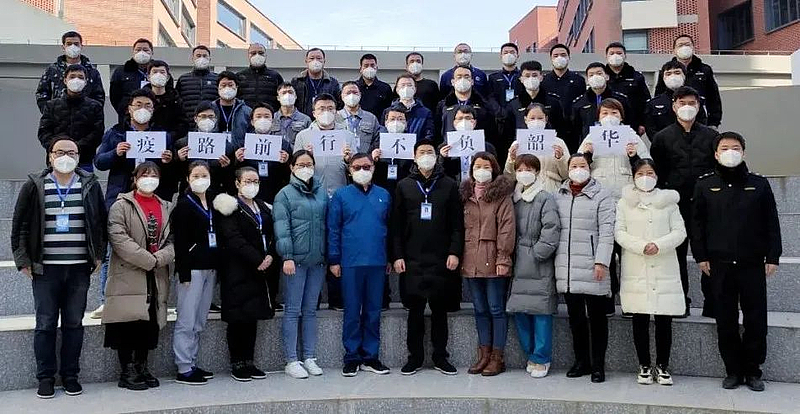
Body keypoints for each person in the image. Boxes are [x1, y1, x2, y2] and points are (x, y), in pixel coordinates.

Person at [11, 136, 107, 399]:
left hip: (78, 268)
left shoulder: (89, 184)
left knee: (74, 323)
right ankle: (45, 378)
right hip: (45, 269)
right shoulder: (35, 185)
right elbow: (19, 225)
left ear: (79, 157)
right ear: (50, 156)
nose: (66, 156)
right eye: (60, 151)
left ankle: (70, 376)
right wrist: (22, 260)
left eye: (72, 152)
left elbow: (100, 222)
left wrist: (98, 255)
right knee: (45, 323)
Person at [691, 132, 781, 392]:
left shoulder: (759, 184)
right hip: (718, 263)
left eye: (735, 147)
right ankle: (732, 370)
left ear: (743, 152)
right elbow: (697, 224)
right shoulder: (705, 184)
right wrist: (701, 256)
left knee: (756, 319)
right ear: (716, 154)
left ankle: (753, 370)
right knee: (725, 319)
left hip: (752, 262)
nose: (730, 152)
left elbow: (771, 222)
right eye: (724, 148)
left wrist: (773, 256)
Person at [92, 90, 174, 319]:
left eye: (148, 105)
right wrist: (116, 152)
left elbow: (170, 171)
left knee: (152, 246)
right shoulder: (116, 133)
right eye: (138, 104)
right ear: (129, 108)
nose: (142, 109)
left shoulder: (161, 136)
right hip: (120, 197)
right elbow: (99, 161)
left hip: (150, 199)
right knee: (113, 250)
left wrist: (168, 161)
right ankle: (105, 299)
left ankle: (154, 297)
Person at [391, 140, 463, 376]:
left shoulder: (449, 185)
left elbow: (457, 224)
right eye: (421, 152)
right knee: (415, 312)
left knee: (440, 311)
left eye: (430, 152)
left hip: (441, 258)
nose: (426, 156)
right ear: (414, 157)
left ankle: (441, 357)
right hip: (412, 259)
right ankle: (415, 358)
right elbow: (396, 225)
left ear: (436, 156)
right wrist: (397, 255)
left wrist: (454, 251)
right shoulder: (404, 185)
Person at [102, 161, 174, 391]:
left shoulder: (166, 206)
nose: (149, 178)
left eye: (154, 175)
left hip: (156, 273)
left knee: (149, 323)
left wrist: (159, 259)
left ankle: (142, 365)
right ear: (135, 178)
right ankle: (127, 370)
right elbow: (118, 238)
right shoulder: (121, 205)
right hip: (129, 272)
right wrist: (148, 260)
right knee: (128, 322)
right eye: (145, 174)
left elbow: (172, 240)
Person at [615, 158, 687, 386]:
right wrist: (640, 246)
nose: (645, 177)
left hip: (664, 264)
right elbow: (619, 232)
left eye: (650, 173)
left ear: (657, 176)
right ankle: (644, 365)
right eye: (640, 173)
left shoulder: (669, 202)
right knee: (640, 318)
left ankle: (663, 365)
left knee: (664, 318)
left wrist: (659, 244)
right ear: (633, 177)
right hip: (636, 264)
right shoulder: (624, 203)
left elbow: (680, 232)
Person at [650, 86, 717, 317]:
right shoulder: (662, 137)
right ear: (674, 106)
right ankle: (680, 301)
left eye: (692, 103)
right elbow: (657, 173)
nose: (687, 107)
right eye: (682, 103)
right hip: (675, 205)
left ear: (698, 106)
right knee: (676, 255)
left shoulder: (711, 137)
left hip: (706, 204)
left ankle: (713, 303)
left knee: (710, 252)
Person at [327, 153, 392, 377]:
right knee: (353, 311)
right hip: (351, 261)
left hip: (377, 261)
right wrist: (334, 259)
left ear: (373, 168)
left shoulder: (383, 194)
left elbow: (390, 228)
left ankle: (370, 356)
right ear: (349, 170)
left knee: (373, 311)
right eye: (357, 167)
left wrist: (389, 257)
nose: (362, 170)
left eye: (367, 166)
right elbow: (333, 229)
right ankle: (352, 356)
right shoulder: (341, 195)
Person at [554, 153, 616, 383]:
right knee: (576, 318)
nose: (578, 169)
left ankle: (598, 365)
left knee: (597, 319)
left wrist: (601, 261)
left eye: (582, 165)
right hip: (568, 266)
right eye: (574, 165)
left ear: (589, 168)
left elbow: (607, 231)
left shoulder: (602, 194)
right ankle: (581, 361)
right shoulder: (559, 194)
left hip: (592, 265)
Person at [213, 167, 276, 381]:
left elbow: (271, 234)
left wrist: (269, 256)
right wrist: (257, 259)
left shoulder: (263, 207)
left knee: (252, 316)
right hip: (238, 268)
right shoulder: (230, 207)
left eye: (255, 181)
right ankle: (237, 362)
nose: (252, 185)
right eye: (247, 181)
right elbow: (233, 237)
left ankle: (249, 360)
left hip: (261, 270)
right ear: (237, 183)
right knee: (238, 318)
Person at [272, 150, 327, 379]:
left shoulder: (321, 192)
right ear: (292, 167)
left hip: (318, 260)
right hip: (295, 262)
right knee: (293, 310)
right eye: (301, 164)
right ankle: (291, 359)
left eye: (309, 164)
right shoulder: (284, 194)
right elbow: (282, 228)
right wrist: (287, 256)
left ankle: (310, 356)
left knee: (310, 310)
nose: (306, 168)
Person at [505, 154, 560, 378]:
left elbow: (551, 228)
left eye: (529, 169)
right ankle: (531, 354)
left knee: (541, 312)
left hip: (538, 264)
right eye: (520, 169)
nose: (524, 173)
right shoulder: (513, 198)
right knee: (519, 310)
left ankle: (541, 357)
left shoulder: (545, 198)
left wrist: (538, 253)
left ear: (537, 171)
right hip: (516, 262)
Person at [460, 152, 515, 377]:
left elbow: (507, 229)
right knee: (480, 309)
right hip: (471, 259)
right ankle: (483, 354)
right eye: (477, 166)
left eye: (486, 167)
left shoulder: (502, 197)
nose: (481, 171)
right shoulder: (465, 195)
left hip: (493, 259)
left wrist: (503, 258)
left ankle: (497, 357)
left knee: (496, 309)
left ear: (494, 170)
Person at [171, 161, 219, 385]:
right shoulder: (184, 205)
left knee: (199, 319)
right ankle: (183, 367)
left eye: (204, 175)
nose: (201, 180)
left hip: (210, 267)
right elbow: (180, 243)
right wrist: (184, 273)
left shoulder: (213, 202)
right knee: (187, 319)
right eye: (196, 176)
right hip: (191, 270)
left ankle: (192, 361)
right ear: (188, 179)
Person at [38, 64, 105, 172]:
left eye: (80, 77)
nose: (76, 80)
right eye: (72, 77)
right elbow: (44, 132)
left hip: (84, 161)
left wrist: (75, 148)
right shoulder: (52, 105)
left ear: (86, 82)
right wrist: (59, 148)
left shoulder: (95, 106)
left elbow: (97, 133)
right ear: (65, 80)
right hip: (56, 159)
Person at [578, 98, 649, 196]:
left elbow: (647, 163)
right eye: (605, 113)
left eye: (614, 113)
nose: (609, 117)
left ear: (621, 117)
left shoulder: (632, 136)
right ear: (599, 118)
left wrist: (634, 156)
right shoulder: (591, 138)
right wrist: (587, 155)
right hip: (598, 189)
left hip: (626, 188)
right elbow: (577, 165)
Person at [655, 35, 722, 128]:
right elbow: (659, 95)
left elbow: (713, 97)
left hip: (699, 119)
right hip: (671, 121)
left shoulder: (705, 69)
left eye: (687, 44)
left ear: (693, 47)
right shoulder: (666, 70)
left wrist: (714, 122)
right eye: (680, 45)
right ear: (674, 50)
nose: (684, 48)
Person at [174, 102, 237, 196]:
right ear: (195, 119)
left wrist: (227, 166)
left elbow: (229, 178)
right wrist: (179, 159)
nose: (207, 120)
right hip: (189, 192)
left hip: (215, 192)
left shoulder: (226, 146)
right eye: (203, 116)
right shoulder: (183, 143)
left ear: (216, 119)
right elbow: (176, 174)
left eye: (211, 117)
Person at [505, 103, 569, 193]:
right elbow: (509, 176)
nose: (536, 121)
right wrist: (512, 160)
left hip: (551, 189)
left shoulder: (558, 143)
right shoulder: (518, 144)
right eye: (532, 118)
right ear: (525, 120)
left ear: (546, 119)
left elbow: (566, 175)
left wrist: (560, 159)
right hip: (525, 190)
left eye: (540, 118)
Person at [234, 102, 291, 203]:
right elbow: (234, 173)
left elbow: (288, 175)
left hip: (275, 193)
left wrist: (286, 162)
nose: (263, 119)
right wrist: (237, 160)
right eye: (258, 116)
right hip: (249, 194)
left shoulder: (283, 145)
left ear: (273, 121)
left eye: (266, 116)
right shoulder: (243, 144)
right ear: (252, 121)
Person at [36, 31, 104, 113]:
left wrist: (93, 113)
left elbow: (99, 96)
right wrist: (48, 112)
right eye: (69, 44)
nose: (73, 47)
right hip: (58, 116)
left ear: (81, 46)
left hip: (85, 117)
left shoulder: (92, 71)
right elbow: (42, 93)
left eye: (76, 44)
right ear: (63, 47)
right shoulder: (52, 70)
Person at [570, 63, 633, 153]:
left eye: (599, 73)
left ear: (607, 76)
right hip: (589, 147)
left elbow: (629, 121)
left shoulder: (620, 99)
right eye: (591, 75)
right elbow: (576, 128)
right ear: (587, 79)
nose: (595, 77)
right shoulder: (579, 102)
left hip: (618, 146)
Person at [436, 66, 500, 151]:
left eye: (466, 77)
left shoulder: (484, 105)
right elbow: (438, 131)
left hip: (478, 153)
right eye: (459, 77)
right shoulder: (443, 106)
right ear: (453, 82)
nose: (463, 80)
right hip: (450, 153)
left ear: (472, 81)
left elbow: (492, 133)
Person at [504, 60, 567, 141]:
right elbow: (508, 133)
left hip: (549, 145)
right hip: (521, 146)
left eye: (534, 75)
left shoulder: (553, 102)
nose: (531, 79)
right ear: (521, 79)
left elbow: (561, 129)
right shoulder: (513, 104)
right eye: (527, 76)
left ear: (541, 77)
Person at [644, 61, 708, 140]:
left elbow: (702, 123)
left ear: (684, 76)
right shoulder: (654, 103)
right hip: (663, 144)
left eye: (677, 72)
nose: (673, 76)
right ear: (663, 78)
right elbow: (651, 129)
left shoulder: (696, 100)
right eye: (668, 73)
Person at [541, 44, 586, 132]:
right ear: (551, 58)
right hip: (550, 127)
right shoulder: (543, 81)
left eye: (563, 55)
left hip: (573, 127)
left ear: (569, 57)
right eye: (556, 56)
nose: (559, 58)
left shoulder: (578, 80)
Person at [110, 38, 154, 122]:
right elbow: (115, 97)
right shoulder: (121, 71)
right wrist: (125, 110)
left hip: (154, 118)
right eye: (138, 50)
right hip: (127, 118)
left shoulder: (158, 71)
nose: (142, 52)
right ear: (133, 52)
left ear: (152, 52)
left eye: (145, 50)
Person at [144, 60, 188, 140]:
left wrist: (170, 137)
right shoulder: (141, 98)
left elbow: (183, 124)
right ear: (148, 77)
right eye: (155, 72)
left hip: (170, 142)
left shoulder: (175, 99)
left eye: (162, 72)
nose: (158, 75)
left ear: (167, 77)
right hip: (146, 139)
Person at [176, 46, 219, 129]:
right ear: (193, 58)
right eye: (198, 56)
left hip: (212, 126)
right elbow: (178, 104)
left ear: (210, 59)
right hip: (188, 126)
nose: (201, 58)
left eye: (205, 56)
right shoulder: (183, 79)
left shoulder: (217, 79)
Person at [383, 74, 435, 142]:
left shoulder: (425, 112)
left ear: (415, 89)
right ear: (397, 89)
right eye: (403, 85)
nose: (406, 88)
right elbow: (383, 132)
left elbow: (429, 135)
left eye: (409, 85)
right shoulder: (388, 111)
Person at [291, 48, 341, 116]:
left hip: (325, 119)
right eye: (312, 58)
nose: (315, 61)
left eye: (319, 58)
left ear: (324, 61)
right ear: (306, 61)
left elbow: (339, 104)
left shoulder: (333, 83)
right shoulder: (296, 82)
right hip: (302, 120)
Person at [237, 43, 284, 111]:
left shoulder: (275, 76)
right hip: (246, 116)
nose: (257, 55)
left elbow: (282, 99)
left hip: (269, 115)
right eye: (253, 53)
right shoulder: (239, 76)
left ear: (265, 56)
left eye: (261, 53)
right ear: (248, 56)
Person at [212, 71, 253, 148]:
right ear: (218, 88)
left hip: (239, 152)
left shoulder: (247, 111)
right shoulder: (210, 109)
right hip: (215, 151)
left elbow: (252, 134)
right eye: (223, 85)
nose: (227, 88)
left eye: (230, 85)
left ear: (236, 87)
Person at [339, 81, 381, 154]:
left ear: (360, 95)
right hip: (341, 159)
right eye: (348, 93)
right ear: (342, 96)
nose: (351, 95)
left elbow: (377, 141)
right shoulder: (336, 117)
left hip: (365, 159)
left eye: (355, 92)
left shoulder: (371, 118)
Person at [272, 83, 312, 147]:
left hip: (297, 152)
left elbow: (309, 142)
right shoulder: (272, 118)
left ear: (295, 96)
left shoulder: (305, 119)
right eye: (284, 93)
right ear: (278, 98)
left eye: (290, 92)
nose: (287, 95)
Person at [355, 53, 393, 119]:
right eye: (366, 66)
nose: (369, 68)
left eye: (372, 65)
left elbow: (388, 110)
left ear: (376, 68)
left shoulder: (385, 88)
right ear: (361, 69)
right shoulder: (354, 87)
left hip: (378, 124)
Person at [488, 43, 521, 109]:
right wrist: (498, 111)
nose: (508, 55)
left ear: (517, 56)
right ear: (501, 56)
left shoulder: (523, 76)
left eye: (512, 52)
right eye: (505, 53)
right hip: (499, 113)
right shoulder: (493, 77)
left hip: (519, 112)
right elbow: (490, 98)